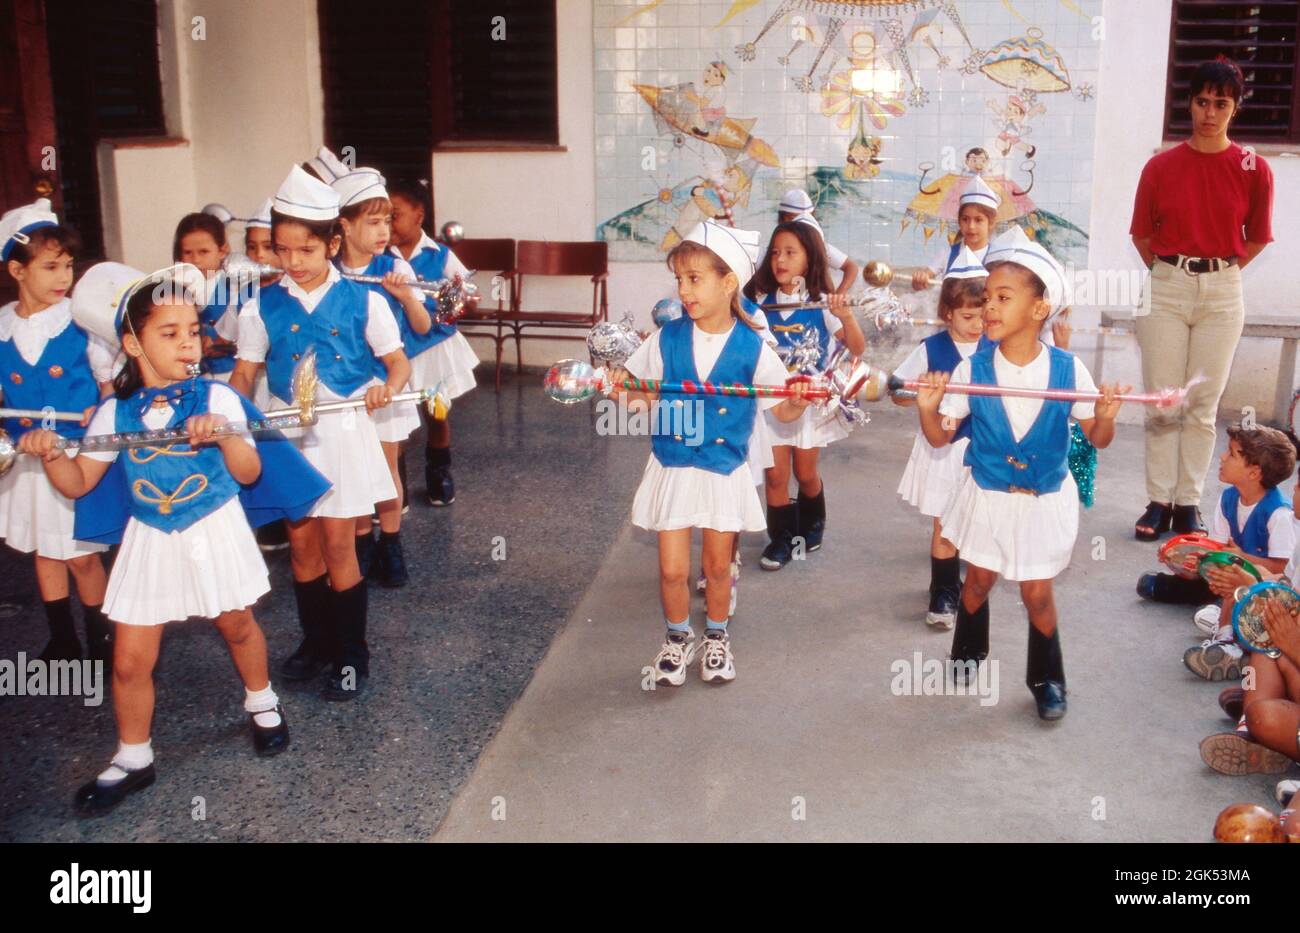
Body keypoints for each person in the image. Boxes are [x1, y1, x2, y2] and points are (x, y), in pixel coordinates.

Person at [20, 263, 327, 813]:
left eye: (192, 332)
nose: (188, 344)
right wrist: (49, 456)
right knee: (131, 660)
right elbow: (79, 483)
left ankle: (262, 703)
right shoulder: (114, 412)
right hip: (150, 538)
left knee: (236, 625)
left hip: (213, 525)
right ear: (133, 344)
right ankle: (133, 756)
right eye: (169, 333)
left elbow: (251, 472)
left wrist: (224, 438)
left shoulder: (219, 398)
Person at [913, 231, 1126, 720]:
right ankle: (968, 650)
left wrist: (1107, 416)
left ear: (1039, 309)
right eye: (987, 298)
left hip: (1043, 498)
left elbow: (1097, 437)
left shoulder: (1069, 371)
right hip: (987, 495)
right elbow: (940, 438)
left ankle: (1047, 678)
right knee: (978, 581)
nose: (989, 308)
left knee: (1037, 593)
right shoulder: (973, 366)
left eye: (1003, 298)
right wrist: (928, 409)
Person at [230, 166, 410, 700]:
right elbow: (243, 376)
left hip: (344, 431)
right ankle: (316, 641)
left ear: (332, 243)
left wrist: (385, 388)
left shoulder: (366, 299)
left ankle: (353, 655)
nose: (292, 262)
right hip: (288, 436)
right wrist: (234, 417)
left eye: (305, 251)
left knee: (339, 544)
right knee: (302, 545)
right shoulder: (260, 305)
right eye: (282, 251)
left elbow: (396, 363)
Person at [611, 220, 806, 685]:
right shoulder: (667, 338)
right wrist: (621, 390)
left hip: (722, 467)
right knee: (672, 569)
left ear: (728, 282)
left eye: (694, 279)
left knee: (718, 566)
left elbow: (784, 412)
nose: (683, 290)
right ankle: (678, 639)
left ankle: (716, 638)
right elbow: (643, 397)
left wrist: (801, 396)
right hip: (674, 464)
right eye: (679, 280)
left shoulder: (752, 347)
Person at [1130, 56, 1274, 540]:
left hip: (1222, 290)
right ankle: (1157, 501)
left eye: (1221, 104)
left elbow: (1256, 237)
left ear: (1235, 109)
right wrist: (1175, 273)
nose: (1210, 113)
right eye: (1202, 102)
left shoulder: (1254, 169)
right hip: (1166, 285)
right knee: (1164, 400)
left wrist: (1216, 273)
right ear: (1189, 104)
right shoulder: (1160, 166)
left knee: (1202, 405)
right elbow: (1142, 236)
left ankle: (1188, 502)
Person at [0, 199, 115, 664]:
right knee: (44, 552)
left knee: (81, 555)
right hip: (26, 460)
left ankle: (103, 638)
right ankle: (63, 639)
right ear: (17, 270)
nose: (64, 277)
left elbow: (110, 384)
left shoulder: (83, 320)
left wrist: (100, 411)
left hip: (74, 459)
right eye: (50, 267)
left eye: (68, 266)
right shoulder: (2, 326)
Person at [744, 217, 866, 571]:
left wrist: (847, 317)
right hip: (773, 402)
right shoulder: (758, 302)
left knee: (805, 471)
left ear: (810, 260)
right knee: (776, 474)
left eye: (791, 253)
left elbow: (856, 348)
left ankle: (813, 524)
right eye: (776, 252)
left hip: (810, 402)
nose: (780, 260)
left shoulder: (823, 303)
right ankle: (782, 540)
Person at [331, 166, 427, 586]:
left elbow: (423, 326)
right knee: (351, 467)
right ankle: (360, 541)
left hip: (390, 382)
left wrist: (406, 297)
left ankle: (390, 543)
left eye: (387, 220)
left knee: (387, 465)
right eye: (372, 222)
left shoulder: (396, 268)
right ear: (344, 226)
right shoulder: (329, 272)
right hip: (344, 385)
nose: (383, 230)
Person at [892, 246, 989, 628]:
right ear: (947, 312)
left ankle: (968, 583)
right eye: (967, 315)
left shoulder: (994, 348)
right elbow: (898, 391)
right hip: (944, 450)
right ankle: (943, 594)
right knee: (945, 525)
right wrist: (922, 394)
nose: (977, 323)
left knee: (978, 521)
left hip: (984, 450)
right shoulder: (931, 349)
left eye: (983, 315)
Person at [388, 176, 481, 509]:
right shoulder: (382, 258)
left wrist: (459, 300)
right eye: (384, 216)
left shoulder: (440, 255)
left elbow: (467, 294)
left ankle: (438, 474)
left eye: (395, 214)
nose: (389, 223)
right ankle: (392, 488)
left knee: (436, 412)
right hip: (396, 349)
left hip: (432, 347)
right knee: (394, 418)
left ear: (419, 214)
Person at [910, 176, 999, 291]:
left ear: (991, 223)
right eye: (965, 219)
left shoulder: (997, 257)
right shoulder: (947, 253)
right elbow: (922, 281)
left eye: (978, 220)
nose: (971, 226)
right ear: (959, 221)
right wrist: (920, 278)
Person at [776, 189, 859, 294]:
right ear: (782, 220)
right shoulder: (775, 253)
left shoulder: (819, 247)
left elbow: (851, 267)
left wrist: (840, 294)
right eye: (794, 218)